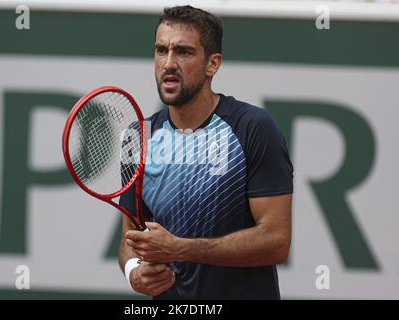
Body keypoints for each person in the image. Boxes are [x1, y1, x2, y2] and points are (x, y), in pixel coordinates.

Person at [118, 5, 293, 299]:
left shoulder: (253, 128)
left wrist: (181, 249)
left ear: (213, 64)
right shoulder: (139, 137)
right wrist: (134, 270)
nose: (168, 63)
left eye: (183, 52)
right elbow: (130, 237)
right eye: (161, 51)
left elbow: (276, 241)